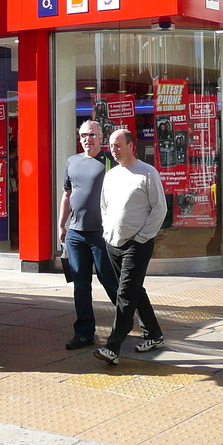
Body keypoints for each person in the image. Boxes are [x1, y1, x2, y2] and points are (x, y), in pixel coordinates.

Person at [93, 129, 167, 365]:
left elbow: (159, 208)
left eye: (118, 145)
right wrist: (107, 230)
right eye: (111, 145)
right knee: (133, 290)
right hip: (113, 242)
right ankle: (154, 334)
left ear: (130, 146)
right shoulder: (111, 174)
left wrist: (143, 236)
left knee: (125, 294)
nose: (113, 149)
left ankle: (113, 347)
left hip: (137, 244)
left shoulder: (147, 173)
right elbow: (104, 205)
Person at [58, 120, 118, 350]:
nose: (87, 139)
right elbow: (67, 195)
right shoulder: (72, 162)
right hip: (75, 233)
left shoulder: (109, 162)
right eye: (83, 135)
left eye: (92, 134)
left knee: (109, 280)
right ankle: (84, 333)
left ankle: (130, 322)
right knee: (80, 285)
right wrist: (62, 225)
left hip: (101, 234)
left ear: (101, 138)